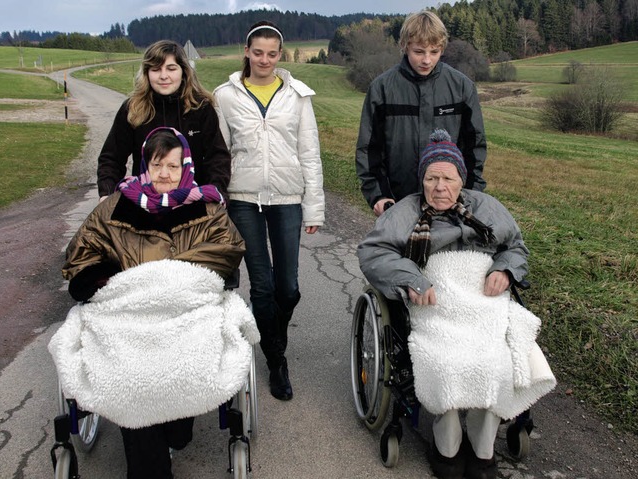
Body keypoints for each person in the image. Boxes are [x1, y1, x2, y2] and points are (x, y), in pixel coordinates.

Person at [358, 130, 555, 479]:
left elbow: (516, 248)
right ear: (422, 180)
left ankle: (482, 449)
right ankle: (446, 444)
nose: (439, 187)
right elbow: (373, 253)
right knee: (445, 361)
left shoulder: (487, 208)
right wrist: (411, 277)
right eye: (431, 178)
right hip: (436, 305)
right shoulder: (405, 212)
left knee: (500, 361)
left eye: (448, 178)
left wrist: (504, 270)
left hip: (483, 303)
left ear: (461, 179)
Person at [60, 127, 246, 479]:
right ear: (144, 165)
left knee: (178, 407)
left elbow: (229, 249)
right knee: (134, 376)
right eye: (157, 164)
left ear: (186, 168)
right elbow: (80, 255)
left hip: (183, 318)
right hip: (127, 320)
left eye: (173, 167)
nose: (164, 174)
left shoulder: (207, 208)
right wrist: (108, 278)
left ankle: (171, 427)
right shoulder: (114, 208)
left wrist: (167, 276)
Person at [213, 20, 325, 401]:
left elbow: (310, 154)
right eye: (257, 52)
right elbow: (219, 155)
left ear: (281, 54)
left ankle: (271, 334)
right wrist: (218, 204)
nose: (264, 60)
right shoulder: (226, 96)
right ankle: (276, 360)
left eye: (271, 53)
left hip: (287, 199)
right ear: (246, 52)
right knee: (261, 284)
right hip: (243, 198)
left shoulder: (297, 95)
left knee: (288, 288)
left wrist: (314, 209)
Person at [356, 9, 487, 217]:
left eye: (434, 52)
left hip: (450, 202)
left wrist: (470, 194)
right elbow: (369, 149)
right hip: (398, 203)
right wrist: (378, 195)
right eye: (419, 51)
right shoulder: (381, 88)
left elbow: (474, 147)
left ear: (442, 48)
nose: (427, 60)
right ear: (405, 46)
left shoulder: (462, 87)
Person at [97, 39, 231, 200]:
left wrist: (215, 193)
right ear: (147, 73)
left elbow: (217, 157)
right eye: (155, 69)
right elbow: (112, 158)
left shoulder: (200, 108)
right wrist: (106, 195)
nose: (163, 76)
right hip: (144, 204)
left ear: (183, 72)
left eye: (171, 68)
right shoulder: (133, 109)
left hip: (193, 203)